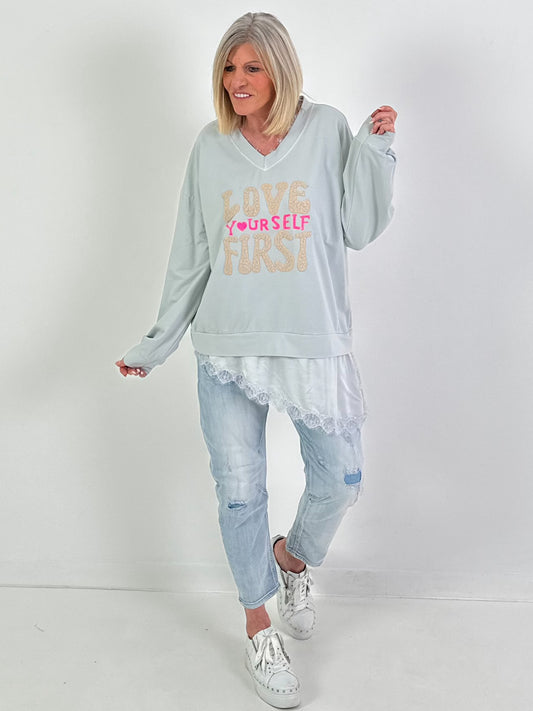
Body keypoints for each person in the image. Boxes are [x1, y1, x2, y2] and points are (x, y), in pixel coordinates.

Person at [116, 11, 397, 708]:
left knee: (341, 478)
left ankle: (292, 558)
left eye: (252, 67)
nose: (236, 81)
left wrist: (375, 151)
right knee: (240, 491)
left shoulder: (326, 128)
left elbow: (359, 227)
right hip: (228, 345)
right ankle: (257, 626)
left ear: (280, 70)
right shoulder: (210, 147)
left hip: (312, 340)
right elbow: (191, 254)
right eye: (228, 68)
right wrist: (158, 340)